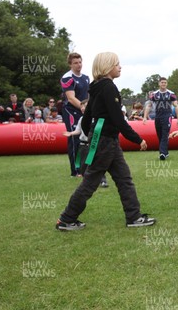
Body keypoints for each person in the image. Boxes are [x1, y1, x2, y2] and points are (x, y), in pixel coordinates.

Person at [55, 52, 155, 231]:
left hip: (105, 140)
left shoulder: (96, 86)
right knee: (91, 181)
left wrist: (91, 135)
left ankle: (134, 216)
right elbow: (118, 119)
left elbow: (87, 118)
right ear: (108, 66)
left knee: (124, 179)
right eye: (117, 64)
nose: (120, 67)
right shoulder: (108, 87)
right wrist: (137, 139)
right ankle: (66, 219)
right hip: (105, 142)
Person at [60, 53, 90, 178]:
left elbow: (88, 95)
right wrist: (84, 108)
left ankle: (86, 167)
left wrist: (89, 108)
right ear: (70, 64)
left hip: (84, 110)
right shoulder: (67, 78)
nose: (79, 65)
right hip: (71, 111)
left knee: (87, 138)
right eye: (75, 63)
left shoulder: (86, 77)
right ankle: (75, 170)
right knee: (74, 139)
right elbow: (71, 98)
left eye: (80, 62)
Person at [143, 77, 178, 160]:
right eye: (162, 82)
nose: (163, 84)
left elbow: (176, 106)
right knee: (160, 135)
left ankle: (162, 153)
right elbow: (149, 105)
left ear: (167, 84)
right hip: (158, 116)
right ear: (159, 83)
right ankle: (165, 152)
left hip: (167, 116)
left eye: (165, 82)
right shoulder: (154, 94)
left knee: (165, 134)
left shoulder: (171, 94)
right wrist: (145, 117)